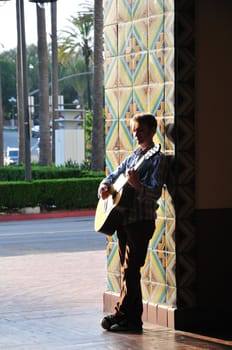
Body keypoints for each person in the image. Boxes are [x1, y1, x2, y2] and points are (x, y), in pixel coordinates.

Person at [97, 112, 167, 333]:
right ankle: (132, 319)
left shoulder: (158, 159)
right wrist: (104, 186)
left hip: (141, 220)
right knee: (129, 271)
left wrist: (138, 185)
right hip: (124, 220)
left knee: (130, 269)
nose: (136, 135)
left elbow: (154, 192)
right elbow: (114, 175)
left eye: (141, 131)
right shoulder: (133, 156)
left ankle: (122, 314)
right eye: (134, 130)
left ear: (152, 132)